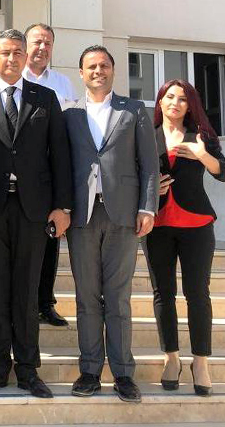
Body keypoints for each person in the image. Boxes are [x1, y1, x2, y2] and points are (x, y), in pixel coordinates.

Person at [0, 29, 72, 399]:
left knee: (27, 290)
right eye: (5, 52)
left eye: (18, 52)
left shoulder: (45, 97)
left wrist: (63, 206)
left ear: (25, 57)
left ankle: (27, 368)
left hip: (33, 211)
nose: (12, 58)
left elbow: (60, 154)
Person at [63, 45, 158, 403]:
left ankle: (123, 374)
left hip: (123, 215)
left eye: (104, 65)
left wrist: (148, 207)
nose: (98, 71)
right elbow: (60, 163)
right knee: (87, 297)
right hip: (82, 216)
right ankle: (89, 371)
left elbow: (149, 164)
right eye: (91, 66)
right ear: (81, 73)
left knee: (118, 298)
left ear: (113, 70)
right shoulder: (69, 112)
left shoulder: (133, 110)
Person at [145, 79, 225, 396]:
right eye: (169, 97)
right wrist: (151, 192)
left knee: (197, 294)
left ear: (189, 105)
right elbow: (134, 173)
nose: (175, 103)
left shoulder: (201, 136)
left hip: (196, 225)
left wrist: (202, 155)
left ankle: (200, 362)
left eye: (182, 99)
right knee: (162, 294)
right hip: (157, 224)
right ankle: (171, 358)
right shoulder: (146, 134)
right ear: (160, 102)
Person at [22, 23, 78, 328]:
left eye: (48, 43)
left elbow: (69, 132)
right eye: (37, 42)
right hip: (18, 176)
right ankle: (23, 304)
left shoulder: (62, 83)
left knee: (50, 242)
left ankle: (45, 303)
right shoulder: (10, 78)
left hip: (50, 174)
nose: (42, 48)